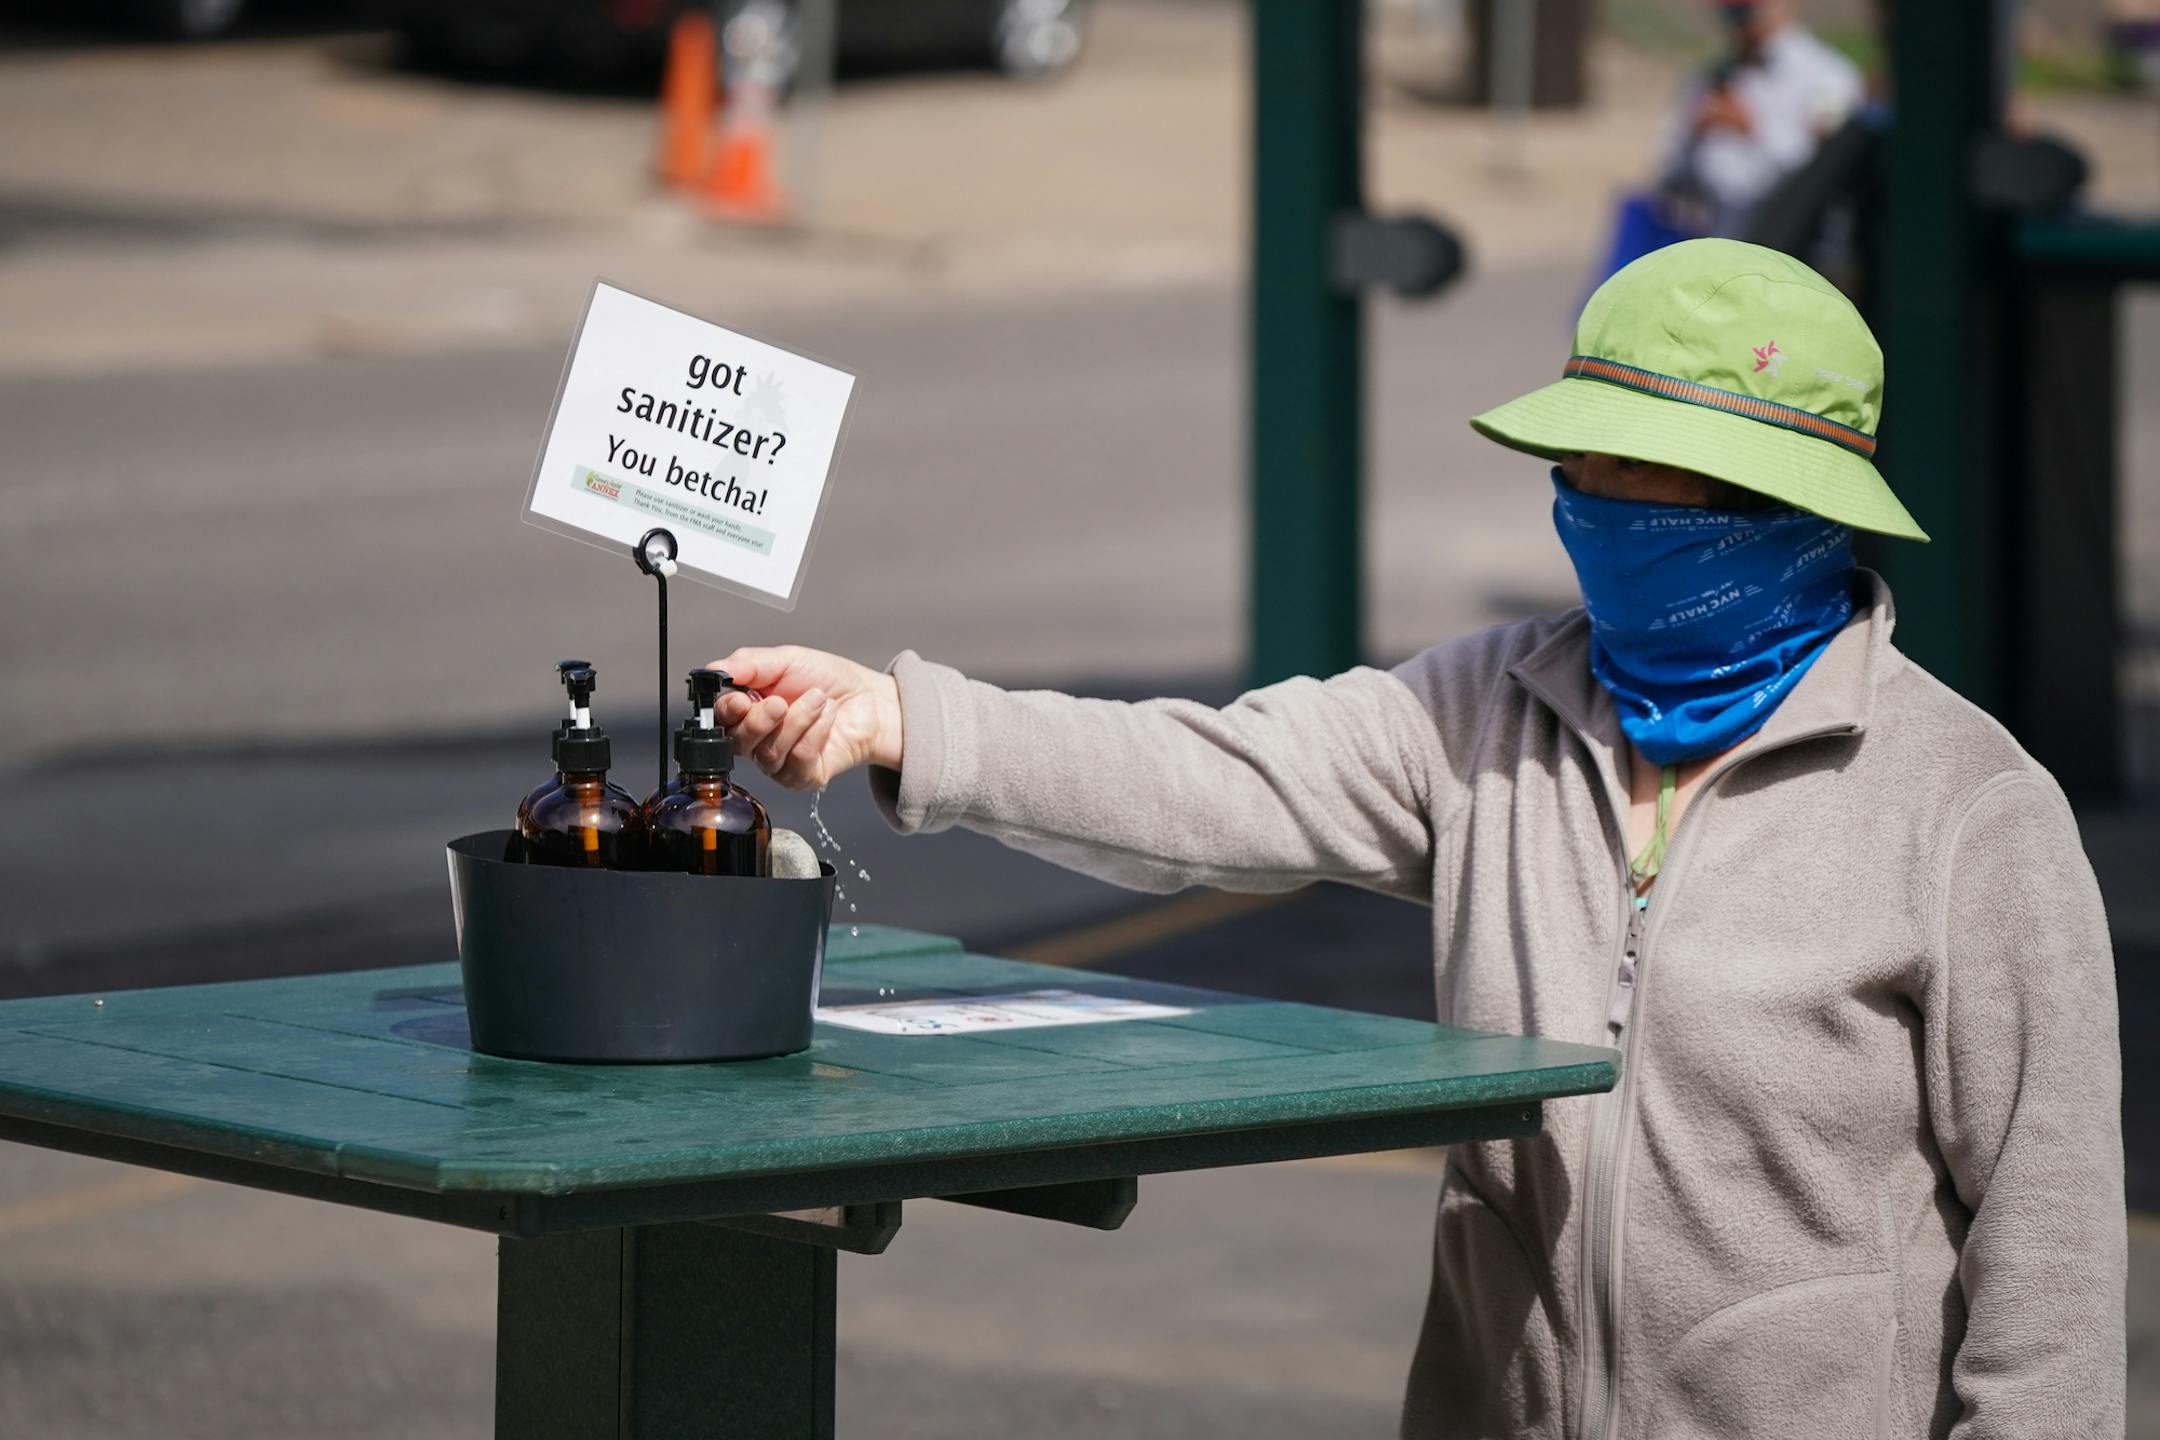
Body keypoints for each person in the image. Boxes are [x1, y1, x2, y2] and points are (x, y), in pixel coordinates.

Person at [711, 240, 2124, 1437]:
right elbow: (1212, 776)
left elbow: (2048, 1263)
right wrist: (905, 720)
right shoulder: (1482, 711)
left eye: (1645, 471)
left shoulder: (1966, 811)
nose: (1592, 503)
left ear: (1780, 512)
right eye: (1580, 463)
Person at [1596, 1, 1863, 284]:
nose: (1738, 17)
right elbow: (1668, 175)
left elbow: (1827, 175)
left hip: (1798, 259)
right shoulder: (1707, 77)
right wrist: (1694, 138)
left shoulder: (1829, 77)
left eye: (1748, 8)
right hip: (1721, 254)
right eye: (1730, 10)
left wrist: (1753, 130)